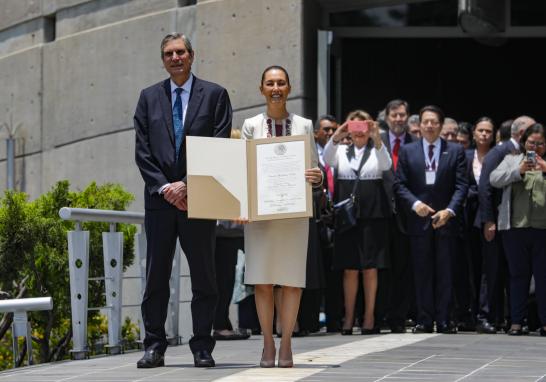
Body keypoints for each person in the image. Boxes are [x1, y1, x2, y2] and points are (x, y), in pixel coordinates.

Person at [134, 33, 232, 368]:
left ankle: (202, 346)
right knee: (155, 277)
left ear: (192, 55)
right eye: (168, 53)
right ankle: (154, 345)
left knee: (205, 277)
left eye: (180, 52)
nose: (175, 58)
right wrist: (166, 188)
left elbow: (220, 145)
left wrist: (187, 185)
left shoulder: (215, 95)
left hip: (199, 199)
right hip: (160, 204)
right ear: (163, 59)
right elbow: (143, 152)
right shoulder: (148, 98)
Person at [240, 65, 322, 368]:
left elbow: (315, 167)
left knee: (291, 281)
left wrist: (318, 176)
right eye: (270, 83)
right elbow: (243, 168)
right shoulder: (250, 125)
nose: (276, 88)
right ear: (261, 89)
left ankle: (286, 342)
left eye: (281, 83)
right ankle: (267, 344)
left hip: (293, 213)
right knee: (262, 281)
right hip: (260, 216)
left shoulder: (303, 125)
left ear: (289, 88)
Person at [394, 105, 468, 334]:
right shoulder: (408, 151)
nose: (429, 125)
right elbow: (399, 184)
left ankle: (444, 319)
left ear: (441, 124)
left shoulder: (455, 151)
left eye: (434, 121)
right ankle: (425, 319)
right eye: (425, 121)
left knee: (446, 272)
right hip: (419, 220)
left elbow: (462, 186)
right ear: (419, 125)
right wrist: (415, 204)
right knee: (422, 271)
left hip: (446, 220)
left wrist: (450, 211)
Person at [324, 110, 392, 335]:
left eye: (363, 127)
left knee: (370, 269)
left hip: (372, 216)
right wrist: (338, 134)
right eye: (355, 128)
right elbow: (326, 159)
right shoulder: (342, 151)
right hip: (348, 218)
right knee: (349, 269)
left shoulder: (376, 150)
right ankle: (349, 317)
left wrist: (377, 137)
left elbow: (386, 165)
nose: (359, 132)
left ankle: (369, 316)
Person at [478, 115, 536, 331]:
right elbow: (486, 186)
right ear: (521, 134)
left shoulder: (528, 155)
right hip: (497, 222)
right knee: (492, 271)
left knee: (513, 271)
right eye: (531, 132)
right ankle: (486, 316)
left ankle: (512, 317)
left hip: (517, 224)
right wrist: (488, 220)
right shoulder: (501, 151)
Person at [490, 123, 546, 337]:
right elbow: (494, 179)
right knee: (518, 276)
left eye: (540, 143)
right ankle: (516, 321)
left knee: (543, 278)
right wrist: (518, 171)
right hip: (515, 228)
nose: (535, 147)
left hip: (543, 229)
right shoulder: (512, 159)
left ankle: (544, 322)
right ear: (524, 143)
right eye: (532, 142)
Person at [380, 99, 417, 333]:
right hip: (380, 214)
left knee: (403, 267)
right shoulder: (377, 142)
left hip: (406, 215)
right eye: (394, 115)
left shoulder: (416, 144)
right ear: (386, 117)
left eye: (402, 115)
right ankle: (379, 314)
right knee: (381, 268)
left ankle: (398, 316)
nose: (398, 119)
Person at [213, 129, 251, 341]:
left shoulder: (240, 168)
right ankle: (220, 324)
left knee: (229, 279)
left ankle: (223, 323)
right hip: (224, 231)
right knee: (224, 279)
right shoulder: (223, 168)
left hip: (234, 230)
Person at [461, 117, 497, 333]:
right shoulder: (464, 156)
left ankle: (485, 313)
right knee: (467, 266)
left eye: (488, 132)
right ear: (474, 133)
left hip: (487, 216)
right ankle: (467, 313)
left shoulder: (497, 156)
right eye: (480, 131)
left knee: (487, 267)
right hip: (466, 217)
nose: (484, 134)